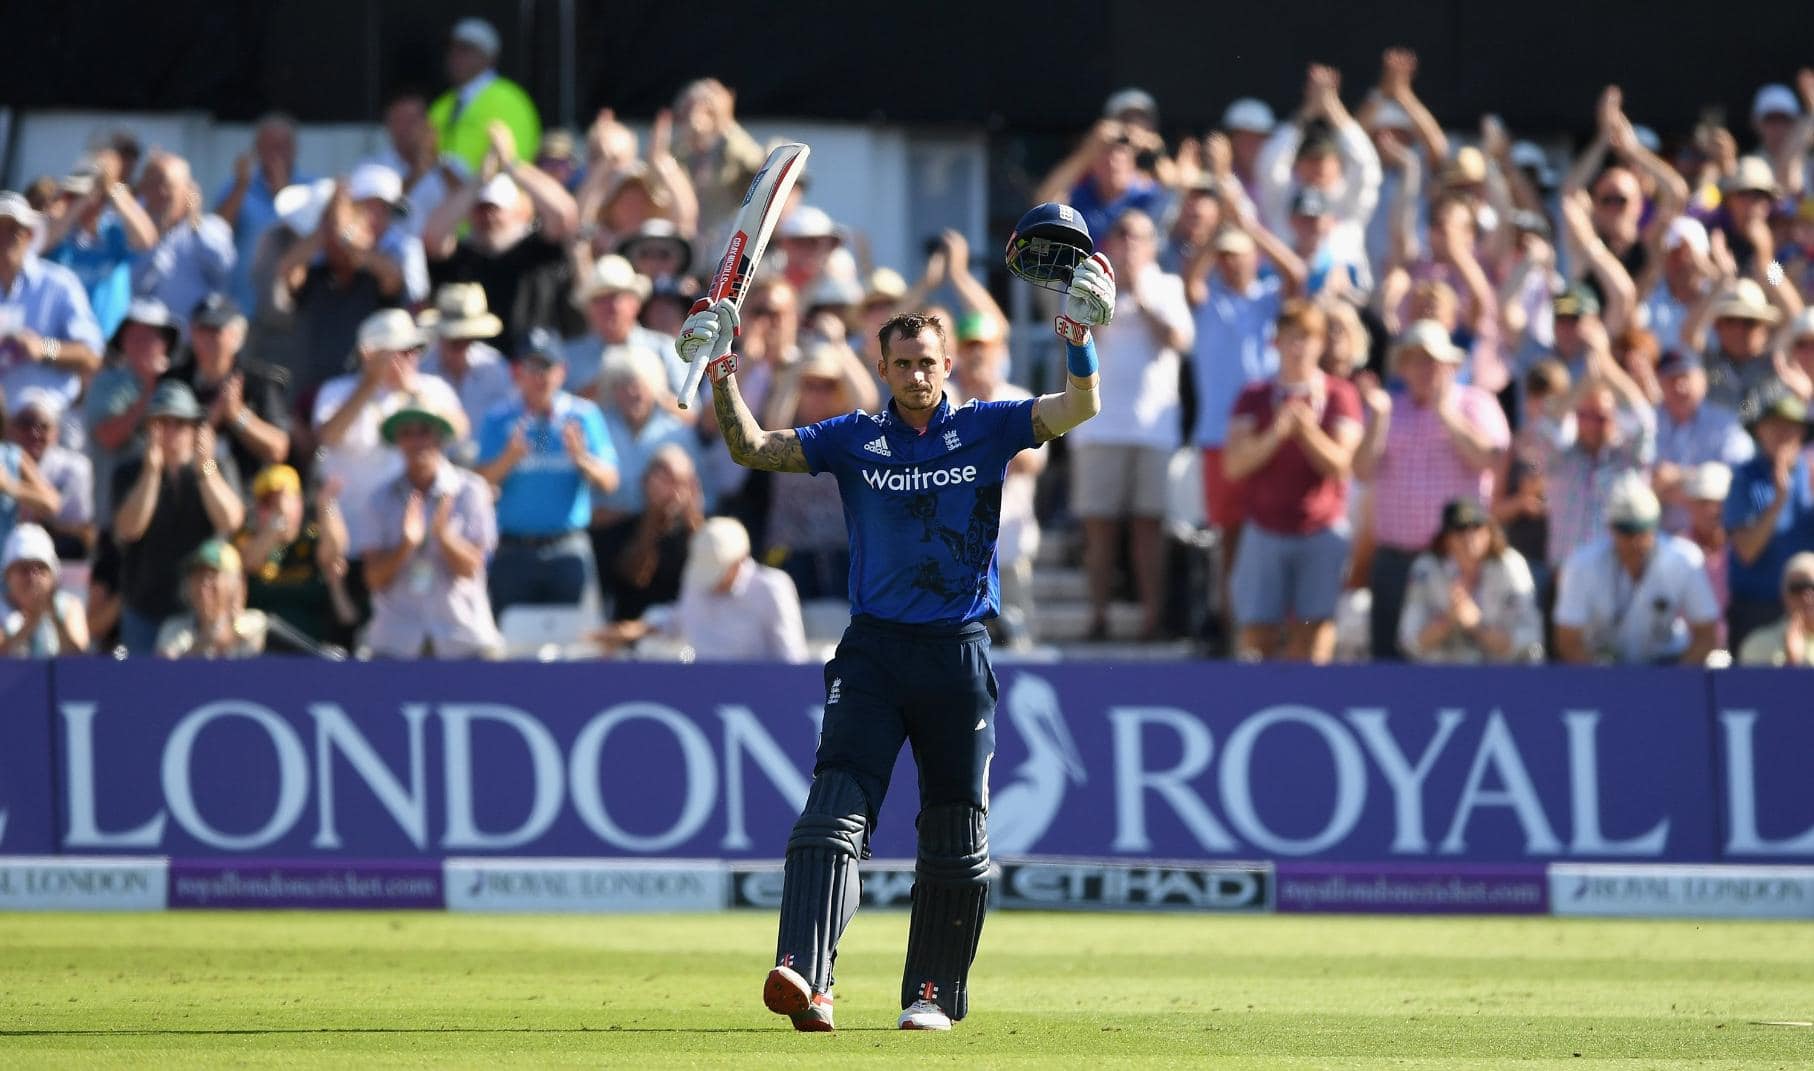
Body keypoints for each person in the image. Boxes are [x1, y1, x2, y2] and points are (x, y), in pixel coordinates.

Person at [675, 219, 1116, 1031]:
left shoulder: (988, 425)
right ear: (880, 368)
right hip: (873, 653)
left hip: (957, 653)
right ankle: (807, 972)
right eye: (902, 363)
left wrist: (1081, 338)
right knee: (832, 812)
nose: (916, 375)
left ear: (948, 367)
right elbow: (750, 449)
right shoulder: (854, 437)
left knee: (955, 833)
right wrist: (722, 370)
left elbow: (1081, 405)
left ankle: (932, 995)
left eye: (928, 363)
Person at [1067, 209, 1192, 640]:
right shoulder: (1090, 284)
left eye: (1137, 236)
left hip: (1153, 430)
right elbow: (1076, 338)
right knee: (1098, 527)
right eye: (1121, 235)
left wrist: (1143, 296)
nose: (1129, 244)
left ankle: (1151, 618)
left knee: (1148, 527)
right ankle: (1097, 617)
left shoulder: (1168, 286)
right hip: (1098, 424)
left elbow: (1179, 341)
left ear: (1152, 244)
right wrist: (1110, 300)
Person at [1354, 320, 1510, 660]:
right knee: (1391, 657)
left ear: (1452, 366)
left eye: (1433, 361)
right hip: (1396, 558)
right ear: (1403, 367)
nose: (1425, 369)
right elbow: (1362, 471)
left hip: (1455, 562)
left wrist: (1446, 413)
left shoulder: (1475, 402)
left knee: (1458, 657)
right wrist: (1377, 420)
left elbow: (1488, 458)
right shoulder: (1388, 408)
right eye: (1415, 360)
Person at [1222, 300, 1364, 663]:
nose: (1298, 347)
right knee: (1256, 635)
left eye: (1306, 337)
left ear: (1320, 344)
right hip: (1265, 529)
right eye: (1289, 338)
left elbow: (1341, 465)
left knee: (1315, 634)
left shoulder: (1340, 395)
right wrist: (1276, 433)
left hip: (1322, 529)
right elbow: (1234, 466)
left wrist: (1306, 432)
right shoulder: (1254, 396)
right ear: (1276, 343)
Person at [476, 329, 618, 615]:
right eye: (532, 367)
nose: (540, 376)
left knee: (573, 646)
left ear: (562, 371)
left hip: (567, 548)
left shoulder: (583, 415)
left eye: (547, 366)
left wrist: (582, 459)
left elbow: (610, 482)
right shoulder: (499, 418)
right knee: (514, 646)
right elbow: (479, 483)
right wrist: (508, 459)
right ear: (517, 371)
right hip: (513, 551)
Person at [312, 308, 466, 557]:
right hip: (356, 542)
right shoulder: (337, 391)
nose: (411, 358)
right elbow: (327, 436)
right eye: (401, 352)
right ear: (368, 355)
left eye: (414, 350)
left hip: (420, 540)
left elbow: (460, 430)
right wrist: (369, 383)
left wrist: (413, 393)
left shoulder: (431, 388)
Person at [359, 393, 502, 659]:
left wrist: (443, 535)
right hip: (396, 642)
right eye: (407, 433)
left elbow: (473, 567)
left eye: (424, 432)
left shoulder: (470, 491)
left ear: (439, 437)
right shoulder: (379, 499)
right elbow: (374, 579)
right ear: (398, 441)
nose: (416, 442)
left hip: (461, 638)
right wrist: (406, 545)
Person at [110, 381, 245, 654]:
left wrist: (205, 468)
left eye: (180, 424)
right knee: (144, 691)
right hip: (144, 607)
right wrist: (151, 471)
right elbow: (129, 529)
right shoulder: (128, 472)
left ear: (196, 429)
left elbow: (230, 521)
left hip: (200, 611)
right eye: (162, 423)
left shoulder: (217, 467)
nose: (170, 433)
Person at [423, 124, 581, 341]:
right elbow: (432, 236)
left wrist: (512, 164)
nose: (487, 217)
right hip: (472, 364)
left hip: (532, 365)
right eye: (480, 208)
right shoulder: (462, 257)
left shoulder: (538, 251)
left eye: (495, 209)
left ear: (521, 211)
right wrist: (480, 179)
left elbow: (565, 214)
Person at [1553, 474, 1720, 665]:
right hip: (1602, 667)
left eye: (1643, 531)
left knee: (1718, 660)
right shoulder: (1581, 564)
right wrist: (1604, 681)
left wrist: (1672, 680)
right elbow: (1568, 641)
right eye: (1627, 531)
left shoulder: (1684, 558)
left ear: (1656, 526)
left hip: (1668, 664)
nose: (1636, 541)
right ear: (1611, 529)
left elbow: (1707, 635)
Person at [600, 517, 809, 662]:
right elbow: (683, 617)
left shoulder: (772, 588)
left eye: (718, 569)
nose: (711, 581)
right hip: (700, 691)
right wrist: (640, 628)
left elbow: (790, 658)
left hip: (757, 697)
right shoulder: (696, 582)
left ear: (739, 562)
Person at [165, 293, 293, 485]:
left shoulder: (258, 382)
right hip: (190, 491)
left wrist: (238, 415)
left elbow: (279, 449)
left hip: (248, 497)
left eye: (216, 330)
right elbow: (162, 443)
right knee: (208, 471)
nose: (208, 339)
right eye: (202, 330)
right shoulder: (175, 382)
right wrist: (212, 420)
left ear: (237, 337)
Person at [0, 192, 106, 420]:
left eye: (13, 231)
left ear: (29, 235)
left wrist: (43, 348)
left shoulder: (59, 283)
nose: (4, 240)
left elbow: (92, 356)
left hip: (54, 419)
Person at [1397, 499, 1542, 664]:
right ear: (1446, 538)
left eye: (1477, 527)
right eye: (1460, 529)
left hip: (1503, 675)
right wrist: (1447, 621)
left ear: (1489, 531)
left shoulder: (1510, 565)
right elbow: (1409, 642)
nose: (1469, 537)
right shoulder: (1426, 569)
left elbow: (1531, 640)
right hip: (1441, 675)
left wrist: (1477, 626)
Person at [1723, 391, 1814, 649]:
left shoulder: (1810, 475)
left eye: (1790, 427)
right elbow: (1747, 550)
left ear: (1802, 434)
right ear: (1760, 431)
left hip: (1808, 610)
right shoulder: (1745, 477)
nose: (1782, 434)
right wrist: (1779, 500)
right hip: (1756, 610)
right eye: (1774, 426)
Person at [235, 464, 355, 652]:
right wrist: (275, 527)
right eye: (268, 503)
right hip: (262, 652)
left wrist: (326, 505)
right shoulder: (248, 539)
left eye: (283, 500)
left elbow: (336, 548)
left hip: (311, 649)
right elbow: (249, 562)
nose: (277, 508)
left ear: (299, 502)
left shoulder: (310, 539)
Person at [131, 152, 236, 327]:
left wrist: (194, 222)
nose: (160, 193)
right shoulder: (126, 232)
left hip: (193, 343)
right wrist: (152, 235)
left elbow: (223, 269)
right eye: (151, 185)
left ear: (188, 191)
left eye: (167, 185)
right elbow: (132, 284)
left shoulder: (212, 229)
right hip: (146, 342)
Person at [428, 17, 541, 174]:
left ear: (488, 56)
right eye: (452, 48)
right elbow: (426, 155)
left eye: (465, 49)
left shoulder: (510, 99)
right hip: (443, 194)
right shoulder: (442, 104)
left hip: (489, 194)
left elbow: (515, 160)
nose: (455, 56)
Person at [417, 282, 516, 443]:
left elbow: (514, 420)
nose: (460, 346)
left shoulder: (494, 367)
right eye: (453, 340)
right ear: (439, 335)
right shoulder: (420, 370)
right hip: (436, 463)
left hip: (487, 464)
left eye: (467, 339)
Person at [7, 389, 93, 560]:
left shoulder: (76, 467)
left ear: (56, 432)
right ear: (10, 429)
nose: (34, 433)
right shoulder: (4, 459)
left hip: (58, 556)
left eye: (43, 426)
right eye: (25, 424)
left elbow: (83, 531)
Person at [155, 538, 268, 659]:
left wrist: (226, 627)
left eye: (212, 575)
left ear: (236, 583)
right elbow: (164, 670)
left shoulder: (255, 622)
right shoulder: (174, 629)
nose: (204, 584)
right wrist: (206, 638)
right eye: (197, 576)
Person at [0, 523, 86, 656]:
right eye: (23, 569)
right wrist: (31, 621)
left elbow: (77, 660)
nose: (32, 577)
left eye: (40, 569)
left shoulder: (69, 606)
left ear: (53, 575)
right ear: (7, 574)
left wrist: (53, 614)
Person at [1737, 551, 1814, 666]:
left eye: (1812, 586)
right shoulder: (1758, 644)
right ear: (1784, 595)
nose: (1806, 596)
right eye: (1797, 588)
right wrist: (1793, 662)